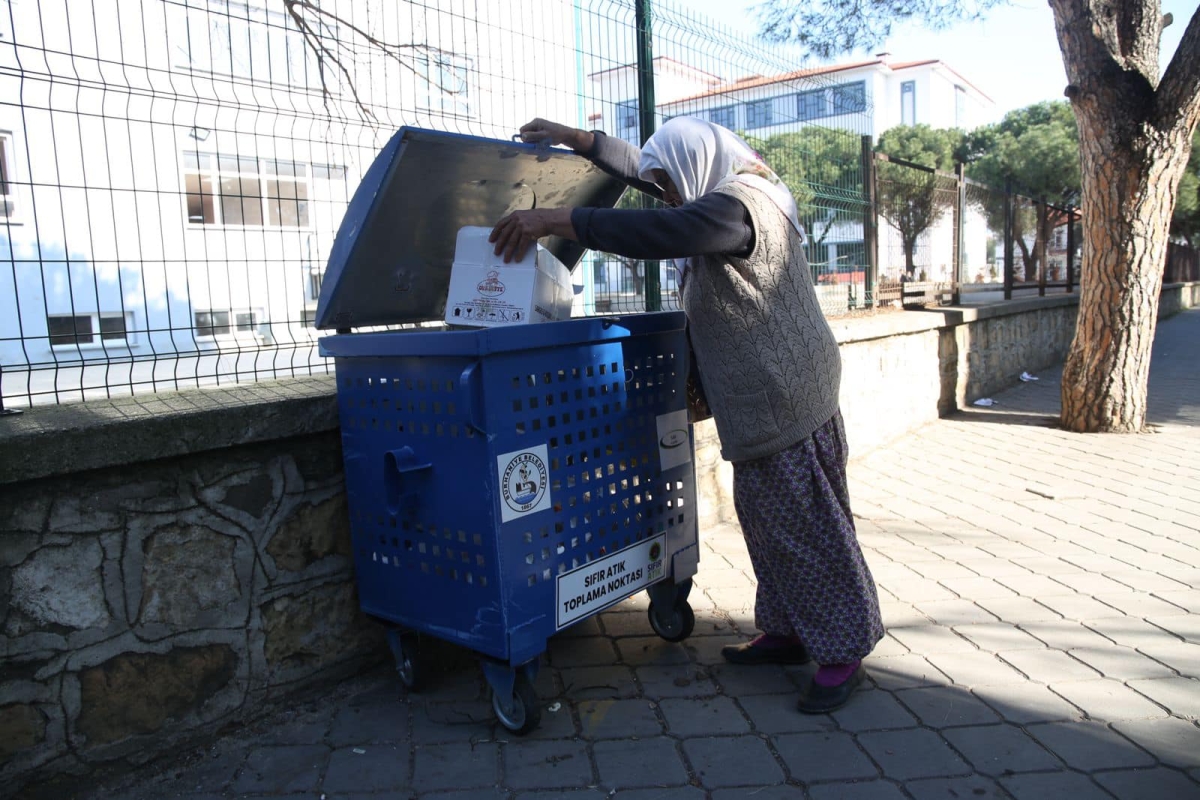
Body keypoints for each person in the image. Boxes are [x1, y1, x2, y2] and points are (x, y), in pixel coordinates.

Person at [490, 117, 884, 713]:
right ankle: (790, 630)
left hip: (781, 391)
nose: (668, 194)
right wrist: (579, 140)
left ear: (695, 167)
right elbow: (650, 179)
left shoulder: (735, 209)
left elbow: (661, 227)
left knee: (806, 527)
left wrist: (554, 220)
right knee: (771, 520)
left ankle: (842, 649)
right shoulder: (728, 184)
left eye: (672, 184)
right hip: (782, 385)